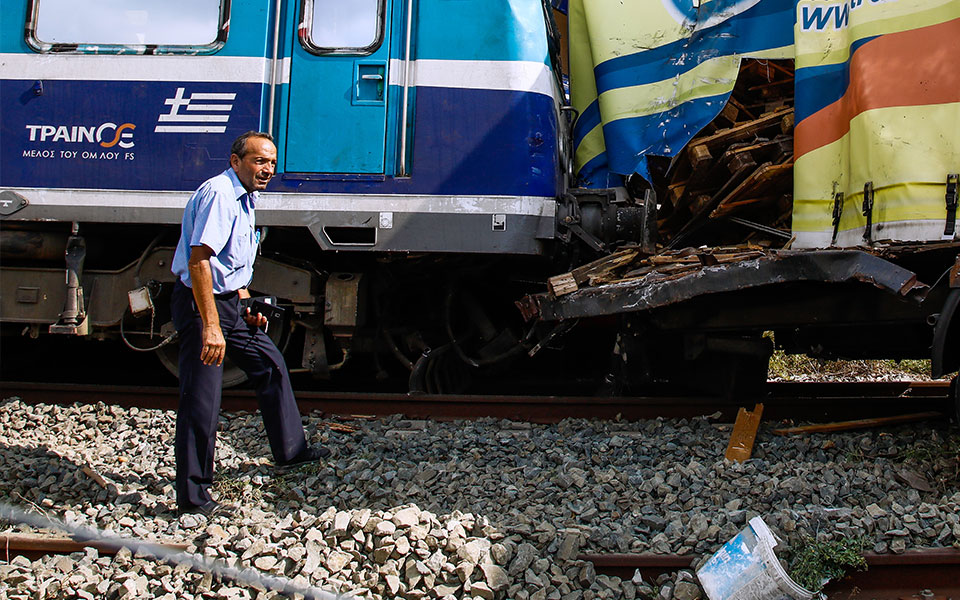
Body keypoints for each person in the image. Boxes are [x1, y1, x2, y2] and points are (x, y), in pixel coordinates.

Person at [169, 131, 329, 516]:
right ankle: (194, 499)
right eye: (259, 161)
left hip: (228, 302)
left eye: (272, 163)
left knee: (270, 365)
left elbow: (229, 266)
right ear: (236, 161)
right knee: (202, 403)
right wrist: (211, 325)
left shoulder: (244, 197)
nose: (267, 170)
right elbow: (199, 262)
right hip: (201, 304)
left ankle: (292, 452)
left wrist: (244, 304)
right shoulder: (221, 196)